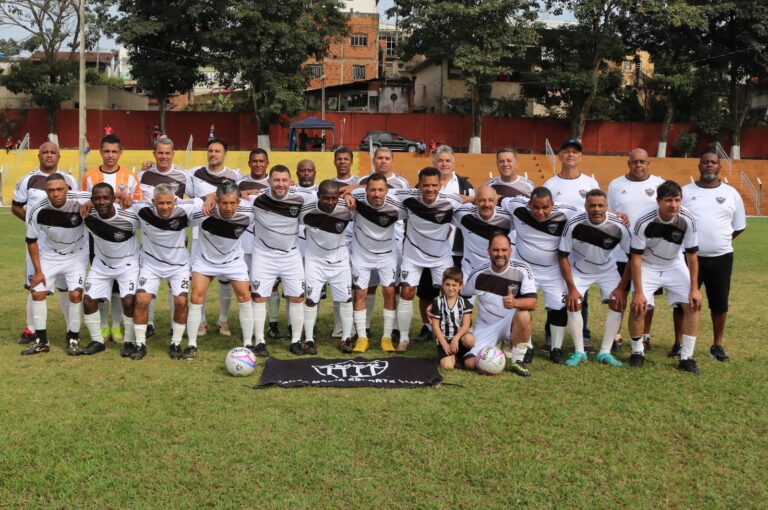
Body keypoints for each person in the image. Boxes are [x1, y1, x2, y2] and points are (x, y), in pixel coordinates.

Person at [674, 153, 746, 362]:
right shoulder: (686, 192)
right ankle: (678, 343)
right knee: (683, 302)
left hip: (721, 257)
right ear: (699, 165)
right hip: (688, 258)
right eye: (705, 162)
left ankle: (717, 345)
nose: (709, 165)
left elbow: (738, 226)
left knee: (719, 303)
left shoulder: (731, 193)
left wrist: (720, 241)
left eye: (713, 162)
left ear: (719, 167)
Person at [629, 180, 702, 373]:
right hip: (647, 265)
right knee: (639, 307)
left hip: (674, 264)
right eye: (669, 200)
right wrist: (638, 291)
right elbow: (635, 257)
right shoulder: (644, 221)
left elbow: (692, 255)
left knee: (692, 305)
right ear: (658, 201)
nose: (674, 205)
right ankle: (637, 353)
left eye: (677, 200)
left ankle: (686, 357)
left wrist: (694, 289)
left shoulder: (688, 219)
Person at [12, 142, 79, 345]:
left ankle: (71, 330)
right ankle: (31, 329)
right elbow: (16, 206)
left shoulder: (69, 180)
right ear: (38, 156)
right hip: (37, 243)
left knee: (67, 288)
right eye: (45, 152)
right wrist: (35, 225)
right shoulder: (28, 179)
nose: (49, 155)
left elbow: (76, 205)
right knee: (35, 284)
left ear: (59, 157)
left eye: (53, 152)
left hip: (65, 244)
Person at [502, 188, 579, 364]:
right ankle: (526, 346)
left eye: (545, 207)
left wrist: (616, 214)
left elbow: (591, 212)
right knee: (523, 307)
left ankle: (556, 348)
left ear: (553, 204)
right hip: (526, 270)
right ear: (529, 204)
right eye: (535, 207)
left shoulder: (568, 212)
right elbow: (498, 198)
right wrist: (470, 198)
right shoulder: (516, 206)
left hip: (553, 270)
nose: (540, 212)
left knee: (558, 308)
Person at [558, 190, 631, 367]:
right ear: (585, 207)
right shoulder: (573, 224)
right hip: (580, 270)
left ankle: (605, 352)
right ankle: (579, 352)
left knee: (618, 302)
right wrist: (572, 288)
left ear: (607, 207)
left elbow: (633, 256)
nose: (596, 209)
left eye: (600, 205)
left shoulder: (619, 226)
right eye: (592, 205)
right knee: (573, 302)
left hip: (607, 269)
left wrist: (621, 287)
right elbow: (562, 256)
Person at [394, 167, 463, 351]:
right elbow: (381, 189)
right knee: (407, 292)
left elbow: (468, 200)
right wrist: (352, 188)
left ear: (440, 185)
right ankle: (403, 338)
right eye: (426, 185)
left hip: (441, 257)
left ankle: (449, 335)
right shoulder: (407, 196)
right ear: (419, 186)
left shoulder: (451, 201)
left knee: (450, 293)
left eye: (434, 185)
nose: (430, 189)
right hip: (413, 256)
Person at [82, 134, 142, 344]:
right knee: (102, 284)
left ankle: (116, 326)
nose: (110, 155)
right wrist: (116, 194)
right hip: (98, 238)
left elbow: (135, 208)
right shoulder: (89, 177)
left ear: (121, 152)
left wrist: (122, 197)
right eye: (106, 151)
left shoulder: (131, 178)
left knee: (119, 288)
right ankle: (103, 326)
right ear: (100, 151)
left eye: (114, 151)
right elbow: (86, 202)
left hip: (123, 239)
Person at [22, 174, 90, 356]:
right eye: (51, 190)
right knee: (37, 292)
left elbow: (106, 195)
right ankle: (41, 341)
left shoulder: (80, 198)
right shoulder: (37, 209)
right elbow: (31, 241)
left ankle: (73, 338)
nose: (56, 194)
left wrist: (91, 202)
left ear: (67, 189)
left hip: (76, 255)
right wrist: (37, 272)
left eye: (60, 189)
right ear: (46, 191)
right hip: (49, 255)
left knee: (75, 294)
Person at [606, 148, 665, 351]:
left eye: (642, 161)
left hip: (649, 254)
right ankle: (616, 336)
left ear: (649, 163)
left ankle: (645, 336)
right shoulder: (616, 184)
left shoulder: (659, 184)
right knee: (618, 295)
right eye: (634, 162)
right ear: (628, 163)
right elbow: (609, 213)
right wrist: (616, 214)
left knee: (646, 299)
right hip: (621, 251)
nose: (638, 165)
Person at [414, 145, 473, 343]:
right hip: (427, 248)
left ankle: (451, 325)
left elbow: (470, 208)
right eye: (440, 160)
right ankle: (427, 326)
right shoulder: (423, 184)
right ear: (434, 162)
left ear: (453, 163)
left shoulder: (464, 185)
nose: (444, 164)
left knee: (449, 289)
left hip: (455, 247)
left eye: (448, 160)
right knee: (426, 292)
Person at [543, 139, 599, 349]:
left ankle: (583, 334)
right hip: (557, 245)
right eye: (566, 151)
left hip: (582, 245)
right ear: (559, 156)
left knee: (581, 289)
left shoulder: (590, 183)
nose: (571, 155)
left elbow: (598, 211)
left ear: (580, 156)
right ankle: (551, 332)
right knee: (556, 289)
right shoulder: (550, 184)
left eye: (575, 152)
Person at [131, 184, 198, 359]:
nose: (165, 207)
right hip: (150, 265)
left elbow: (208, 204)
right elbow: (121, 204)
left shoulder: (185, 211)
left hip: (178, 266)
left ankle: (175, 343)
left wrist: (212, 198)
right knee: (141, 300)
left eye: (169, 203)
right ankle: (140, 345)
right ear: (153, 202)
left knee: (181, 301)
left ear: (175, 201)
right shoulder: (142, 210)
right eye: (161, 203)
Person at [250, 165, 309, 357]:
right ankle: (259, 341)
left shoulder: (301, 200)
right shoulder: (256, 201)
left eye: (284, 180)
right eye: (276, 180)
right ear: (269, 182)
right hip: (263, 256)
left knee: (297, 297)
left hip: (290, 256)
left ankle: (295, 341)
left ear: (291, 182)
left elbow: (328, 196)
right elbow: (229, 195)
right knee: (259, 297)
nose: (280, 184)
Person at [137, 136, 192, 338]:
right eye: (160, 153)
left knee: (175, 287)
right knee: (148, 288)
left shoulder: (183, 176)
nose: (163, 157)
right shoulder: (143, 175)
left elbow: (194, 201)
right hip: (151, 238)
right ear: (154, 154)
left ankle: (173, 324)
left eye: (167, 153)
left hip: (175, 238)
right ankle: (149, 323)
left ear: (173, 154)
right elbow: (136, 200)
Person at [347, 173, 407, 352]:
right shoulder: (357, 199)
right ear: (365, 190)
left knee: (389, 292)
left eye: (381, 190)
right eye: (372, 190)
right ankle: (362, 337)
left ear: (387, 190)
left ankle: (387, 337)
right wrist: (347, 194)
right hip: (361, 255)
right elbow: (341, 191)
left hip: (387, 255)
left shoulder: (397, 204)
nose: (377, 194)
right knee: (360, 294)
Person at [188, 138, 241, 337]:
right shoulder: (194, 174)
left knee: (225, 280)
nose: (213, 154)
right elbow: (183, 194)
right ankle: (201, 321)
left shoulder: (234, 175)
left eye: (217, 151)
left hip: (226, 236)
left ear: (224, 154)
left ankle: (223, 320)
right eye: (210, 150)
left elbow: (242, 194)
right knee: (199, 282)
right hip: (200, 236)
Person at [463, 234, 538, 376]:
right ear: (488, 251)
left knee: (524, 314)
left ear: (510, 251)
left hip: (510, 321)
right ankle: (496, 350)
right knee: (470, 363)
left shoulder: (522, 269)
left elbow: (533, 303)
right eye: (496, 250)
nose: (500, 254)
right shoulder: (478, 274)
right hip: (486, 325)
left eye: (504, 250)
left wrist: (515, 302)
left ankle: (517, 360)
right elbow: (462, 296)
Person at [299, 180, 354, 354]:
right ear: (318, 196)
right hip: (315, 262)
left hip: (340, 262)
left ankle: (346, 339)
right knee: (310, 300)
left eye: (334, 198)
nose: (330, 202)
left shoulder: (347, 208)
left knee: (346, 300)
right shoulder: (306, 210)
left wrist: (351, 192)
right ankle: (308, 339)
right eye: (326, 198)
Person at [237, 149, 284, 342]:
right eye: (254, 161)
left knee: (271, 286)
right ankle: (251, 327)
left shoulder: (275, 184)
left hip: (266, 245)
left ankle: (272, 324)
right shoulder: (241, 183)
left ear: (267, 163)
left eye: (261, 161)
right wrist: (244, 193)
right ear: (249, 163)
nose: (258, 164)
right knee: (247, 288)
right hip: (244, 242)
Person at [452, 185, 513, 278]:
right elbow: (442, 210)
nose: (486, 204)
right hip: (469, 272)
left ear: (496, 201)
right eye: (482, 200)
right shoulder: (463, 215)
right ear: (475, 201)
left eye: (491, 200)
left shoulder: (508, 218)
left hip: (496, 272)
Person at [429, 267, 475, 370]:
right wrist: (445, 344)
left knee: (470, 341)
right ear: (443, 285)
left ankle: (460, 355)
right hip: (445, 339)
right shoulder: (437, 302)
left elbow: (466, 325)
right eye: (448, 284)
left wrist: (456, 338)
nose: (451, 288)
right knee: (447, 366)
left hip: (459, 338)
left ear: (460, 286)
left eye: (454, 285)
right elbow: (435, 326)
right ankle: (452, 357)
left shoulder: (464, 303)